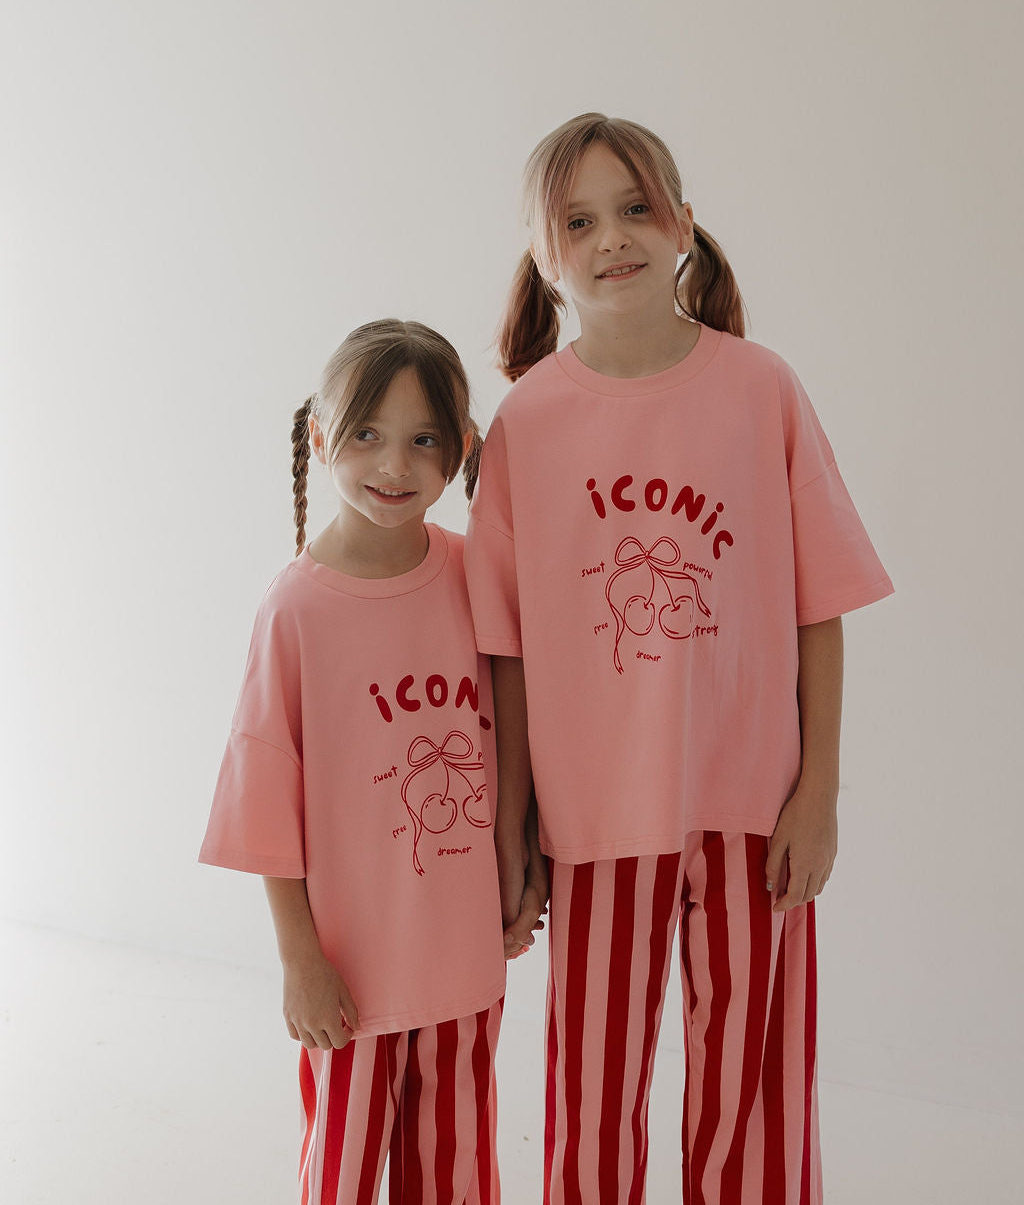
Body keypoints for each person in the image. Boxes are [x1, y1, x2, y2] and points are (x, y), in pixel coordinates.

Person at [464, 115, 894, 1205]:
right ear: (546, 260)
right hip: (595, 821)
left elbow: (819, 605)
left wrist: (819, 797)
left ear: (683, 225)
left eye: (633, 209)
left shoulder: (761, 389)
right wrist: (516, 828)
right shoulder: (527, 425)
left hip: (754, 813)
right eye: (576, 221)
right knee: (590, 1104)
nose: (611, 238)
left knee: (752, 1098)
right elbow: (504, 653)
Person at [200, 320, 507, 1205]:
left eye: (424, 440)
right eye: (368, 433)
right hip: (351, 976)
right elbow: (265, 804)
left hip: (460, 959)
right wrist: (300, 959)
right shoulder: (297, 610)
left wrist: (515, 873)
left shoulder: (470, 573)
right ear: (321, 436)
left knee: (456, 1178)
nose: (395, 465)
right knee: (340, 1175)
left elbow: (507, 736)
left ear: (462, 450)